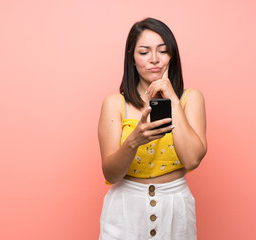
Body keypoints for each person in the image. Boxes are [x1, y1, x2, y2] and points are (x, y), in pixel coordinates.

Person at [98, 17, 207, 240]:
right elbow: (111, 173)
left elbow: (192, 160)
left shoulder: (191, 99)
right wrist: (133, 141)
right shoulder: (114, 104)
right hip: (125, 208)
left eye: (163, 51)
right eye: (144, 52)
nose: (154, 60)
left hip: (175, 205)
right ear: (132, 58)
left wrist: (172, 99)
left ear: (172, 56)